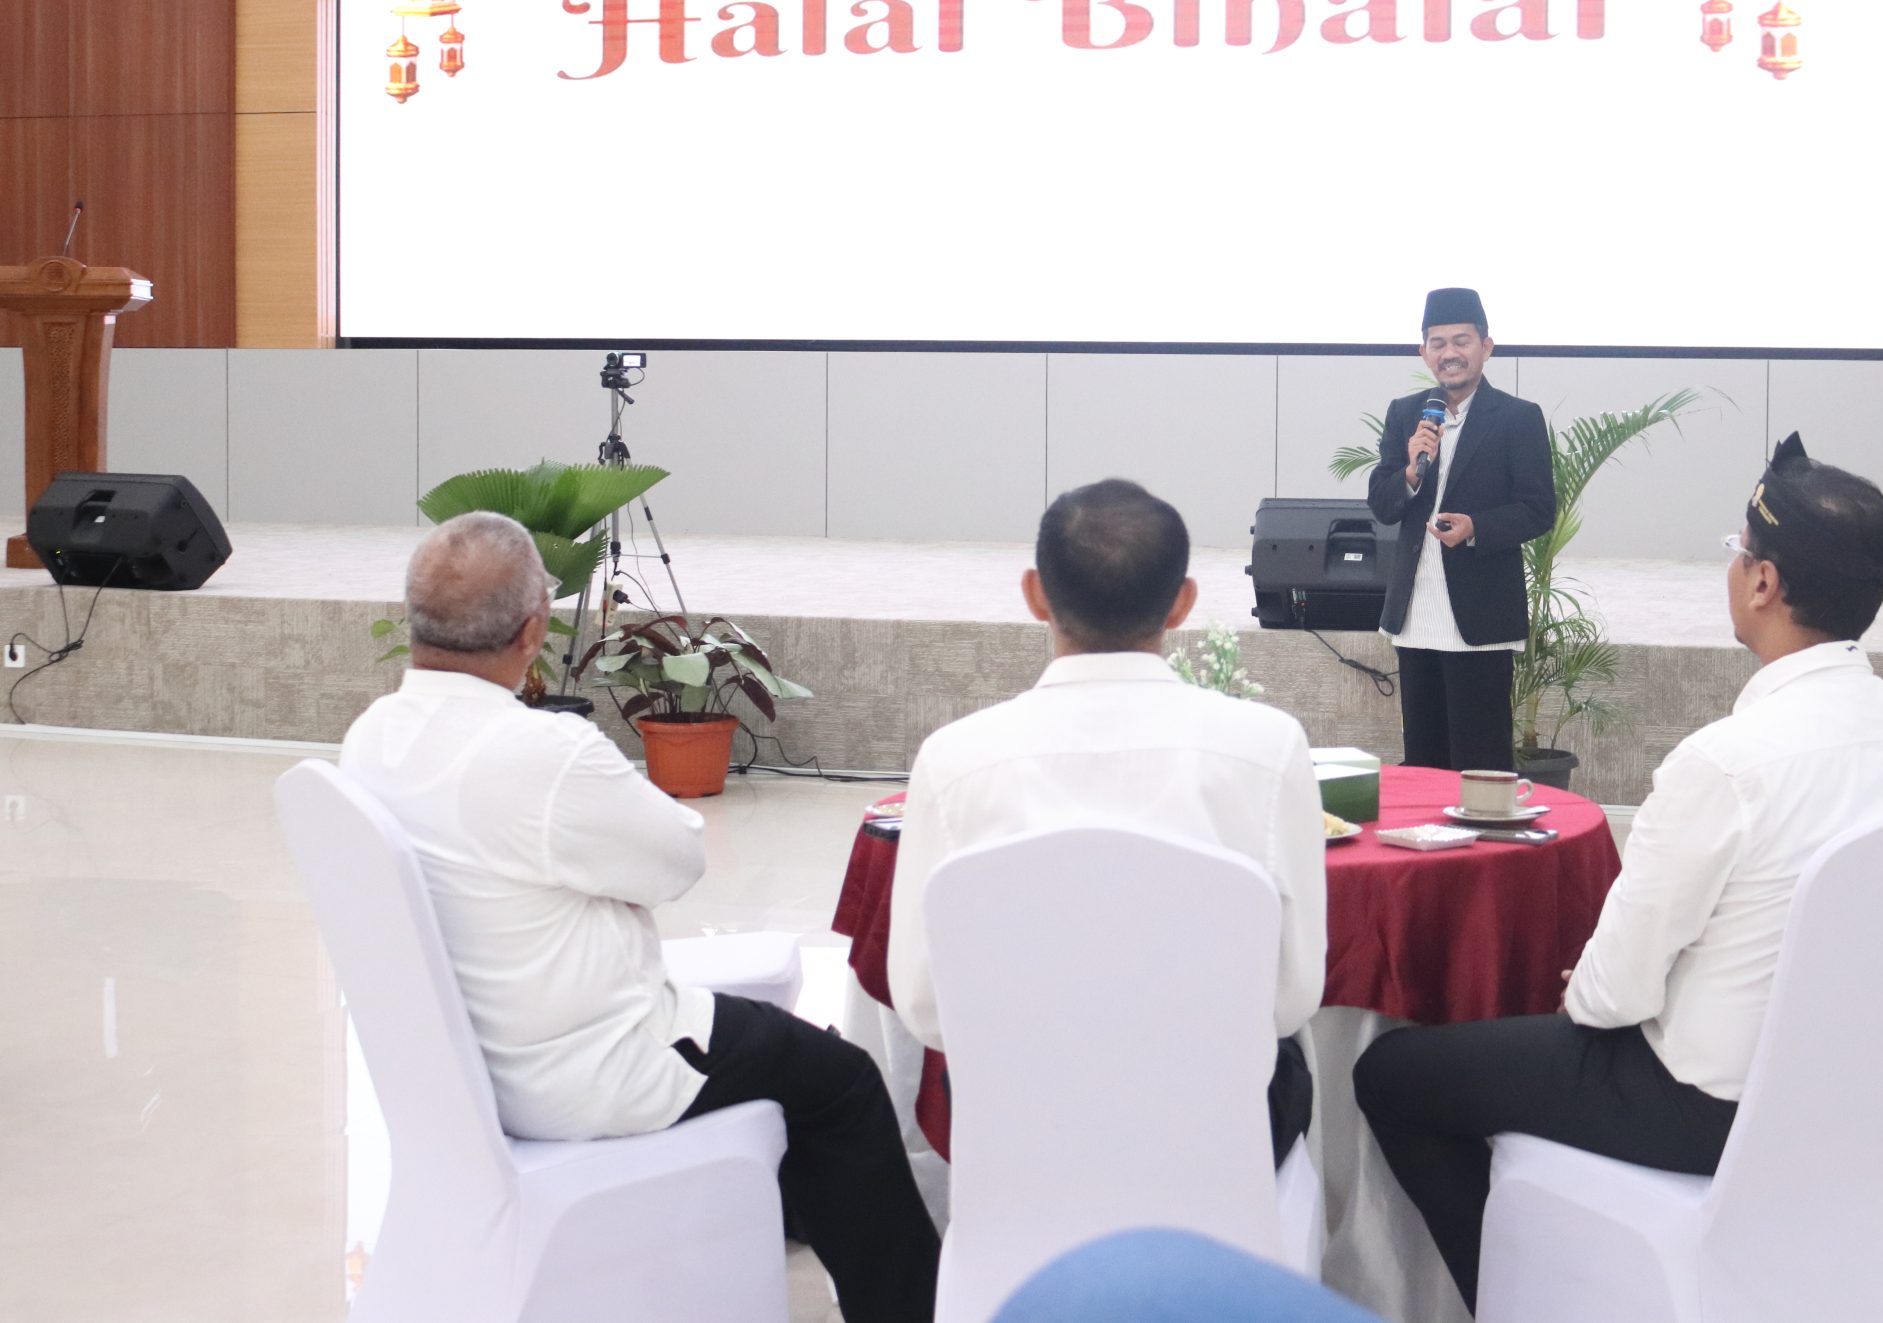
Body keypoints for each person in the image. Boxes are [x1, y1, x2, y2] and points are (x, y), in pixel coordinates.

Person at [1353, 435, 1883, 1312]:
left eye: (1738, 551)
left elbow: (1606, 999)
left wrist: (1594, 984)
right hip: (1867, 1105)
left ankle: (1524, 1300)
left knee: (1395, 1075)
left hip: (1706, 1107)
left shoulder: (1726, 763)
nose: (1732, 568)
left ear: (1763, 584)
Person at [340, 513, 938, 1323]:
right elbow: (679, 858)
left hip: (473, 1069)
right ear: (532, 632)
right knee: (843, 1083)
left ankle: (761, 1211)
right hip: (593, 1067)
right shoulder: (545, 754)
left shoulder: (370, 738)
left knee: (784, 1060)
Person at [888, 478, 1327, 1163]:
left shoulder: (953, 762)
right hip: (1213, 1135)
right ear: (1183, 602)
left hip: (1024, 1132)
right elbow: (1292, 996)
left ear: (1035, 594)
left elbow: (924, 1004)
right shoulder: (1267, 749)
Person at [1365, 287, 1556, 771]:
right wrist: (1410, 472)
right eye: (1438, 343)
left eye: (1461, 341)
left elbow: (1538, 509)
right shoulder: (1406, 414)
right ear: (1423, 352)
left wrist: (1476, 527)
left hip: (1480, 616)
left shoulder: (1518, 418)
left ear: (1486, 347)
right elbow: (1382, 503)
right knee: (1423, 762)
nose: (1449, 353)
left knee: (1480, 762)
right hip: (1415, 614)